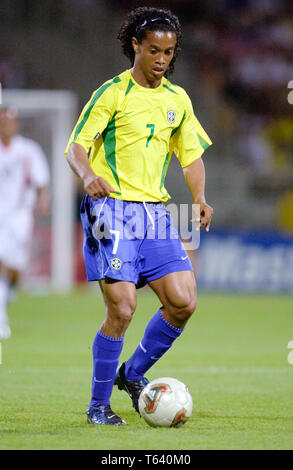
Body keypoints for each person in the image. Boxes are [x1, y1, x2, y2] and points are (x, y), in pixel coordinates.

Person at [65, 6, 213, 426]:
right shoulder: (112, 93)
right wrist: (89, 174)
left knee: (183, 302)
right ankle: (97, 406)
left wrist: (199, 196)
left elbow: (191, 158)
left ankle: (131, 374)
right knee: (123, 309)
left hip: (155, 213)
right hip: (110, 210)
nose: (162, 60)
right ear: (135, 46)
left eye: (169, 52)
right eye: (154, 51)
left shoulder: (177, 99)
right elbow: (77, 146)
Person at [0, 107, 50, 339]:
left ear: (16, 124)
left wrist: (43, 200)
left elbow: (41, 181)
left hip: (20, 215)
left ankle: (8, 290)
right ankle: (2, 317)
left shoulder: (28, 150)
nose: (6, 126)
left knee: (15, 266)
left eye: (10, 122)